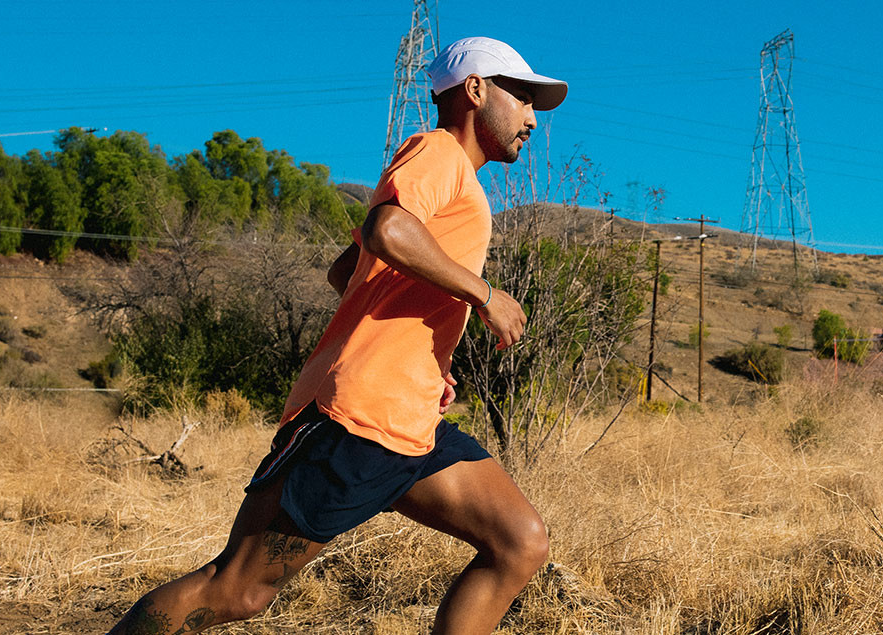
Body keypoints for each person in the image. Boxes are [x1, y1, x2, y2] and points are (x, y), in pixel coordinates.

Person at [106, 36, 567, 635]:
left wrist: (418, 346)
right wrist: (482, 296)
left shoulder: (460, 183)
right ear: (475, 91)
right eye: (523, 96)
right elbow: (387, 230)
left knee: (520, 542)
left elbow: (346, 272)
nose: (532, 117)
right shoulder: (438, 153)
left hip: (410, 420)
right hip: (356, 421)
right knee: (237, 592)